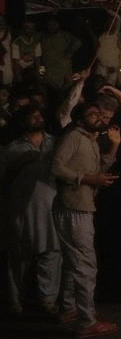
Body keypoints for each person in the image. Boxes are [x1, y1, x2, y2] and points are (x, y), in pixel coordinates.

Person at [50, 102, 121, 337]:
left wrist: (114, 146)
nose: (99, 117)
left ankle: (69, 309)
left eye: (100, 114)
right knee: (85, 265)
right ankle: (87, 322)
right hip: (75, 207)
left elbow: (100, 168)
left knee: (74, 263)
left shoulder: (91, 140)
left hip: (82, 205)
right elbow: (56, 167)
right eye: (93, 114)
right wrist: (87, 179)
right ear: (80, 119)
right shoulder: (73, 136)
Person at [1, 105, 60, 316]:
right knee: (19, 257)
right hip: (22, 210)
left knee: (51, 254)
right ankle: (16, 300)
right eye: (32, 116)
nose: (37, 118)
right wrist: (19, 164)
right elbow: (3, 181)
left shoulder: (55, 143)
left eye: (39, 115)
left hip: (51, 208)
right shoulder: (12, 148)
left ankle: (48, 300)